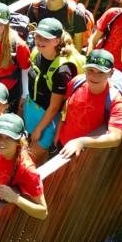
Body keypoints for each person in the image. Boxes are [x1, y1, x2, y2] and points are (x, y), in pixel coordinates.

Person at [24, 17, 82, 164]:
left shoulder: (63, 69)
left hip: (48, 118)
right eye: (38, 35)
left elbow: (54, 107)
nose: (40, 40)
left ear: (56, 41)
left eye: (46, 38)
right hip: (32, 107)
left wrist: (39, 129)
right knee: (32, 151)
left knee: (30, 156)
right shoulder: (36, 52)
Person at [0, 114, 47, 220]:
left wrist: (15, 198)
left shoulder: (27, 170)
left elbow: (43, 212)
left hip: (3, 217)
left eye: (9, 138)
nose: (1, 142)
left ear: (19, 141)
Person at [57, 49, 122, 159]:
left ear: (111, 73)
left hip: (87, 154)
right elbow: (66, 107)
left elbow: (116, 138)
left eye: (101, 72)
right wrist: (58, 132)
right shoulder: (76, 82)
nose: (95, 76)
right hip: (63, 144)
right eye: (90, 70)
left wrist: (82, 142)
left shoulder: (115, 100)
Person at [27, 0, 91, 52]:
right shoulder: (35, 8)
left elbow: (78, 45)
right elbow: (31, 33)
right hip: (40, 53)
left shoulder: (74, 13)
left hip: (64, 55)